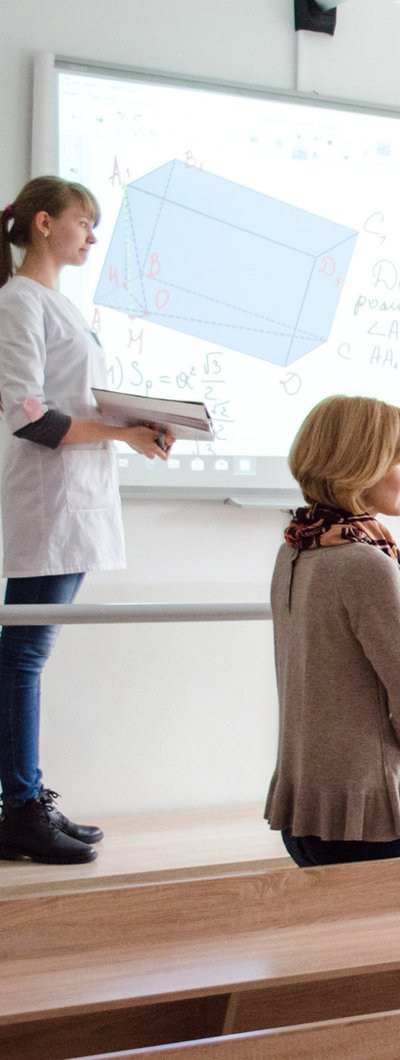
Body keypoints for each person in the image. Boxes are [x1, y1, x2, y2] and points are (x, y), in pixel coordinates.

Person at [0, 177, 172, 865]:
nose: (94, 237)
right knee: (22, 656)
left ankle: (25, 800)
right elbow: (29, 416)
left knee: (26, 655)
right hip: (51, 501)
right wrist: (121, 434)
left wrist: (137, 423)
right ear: (44, 224)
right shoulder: (19, 300)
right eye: (84, 222)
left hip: (74, 500)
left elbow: (69, 402)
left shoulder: (54, 304)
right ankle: (19, 808)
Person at [267, 395, 400, 867]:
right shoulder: (365, 564)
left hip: (307, 810)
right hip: (374, 817)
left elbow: (341, 694)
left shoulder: (297, 550)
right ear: (361, 467)